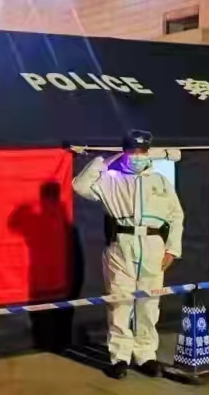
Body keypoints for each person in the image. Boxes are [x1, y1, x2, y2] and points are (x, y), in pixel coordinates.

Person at [72, 130, 184, 379]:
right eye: (132, 151)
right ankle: (120, 357)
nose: (137, 156)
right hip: (121, 244)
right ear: (124, 152)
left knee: (149, 303)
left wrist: (172, 249)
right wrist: (105, 160)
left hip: (153, 245)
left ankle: (145, 355)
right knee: (120, 302)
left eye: (142, 151)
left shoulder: (160, 181)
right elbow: (79, 186)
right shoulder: (111, 179)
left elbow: (176, 215)